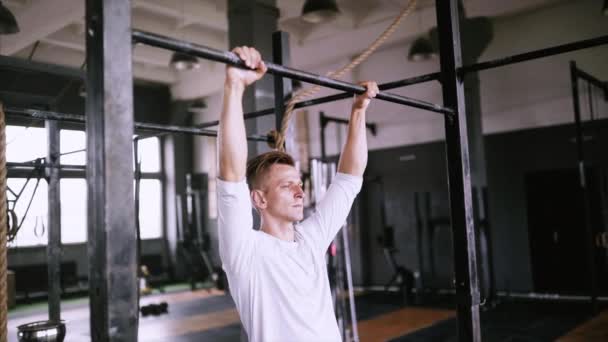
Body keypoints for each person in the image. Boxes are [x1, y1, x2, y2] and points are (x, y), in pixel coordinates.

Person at [217, 45, 378, 342]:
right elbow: (230, 175)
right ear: (259, 199)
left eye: (299, 182)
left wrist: (358, 111)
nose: (299, 191)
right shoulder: (245, 250)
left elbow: (349, 180)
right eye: (285, 185)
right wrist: (235, 86)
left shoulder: (310, 239)